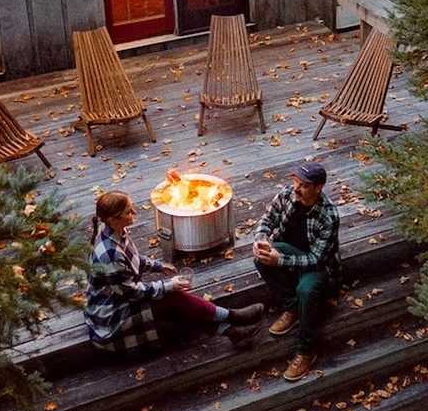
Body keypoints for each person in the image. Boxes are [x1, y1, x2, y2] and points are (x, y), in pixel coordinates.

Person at [84, 190, 262, 357]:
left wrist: (159, 266)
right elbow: (131, 292)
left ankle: (233, 330)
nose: (134, 212)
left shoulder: (115, 232)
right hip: (112, 316)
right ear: (113, 219)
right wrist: (168, 285)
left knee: (175, 301)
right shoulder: (110, 254)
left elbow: (134, 259)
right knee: (172, 298)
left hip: (124, 299)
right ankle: (232, 319)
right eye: (128, 211)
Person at [252, 160, 341, 381]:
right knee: (261, 258)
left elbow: (316, 258)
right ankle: (292, 308)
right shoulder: (287, 194)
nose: (297, 189)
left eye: (304, 185)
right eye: (296, 182)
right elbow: (267, 219)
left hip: (318, 265)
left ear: (318, 188)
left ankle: (305, 350)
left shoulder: (329, 215)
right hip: (291, 254)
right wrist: (261, 238)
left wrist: (280, 261)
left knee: (306, 290)